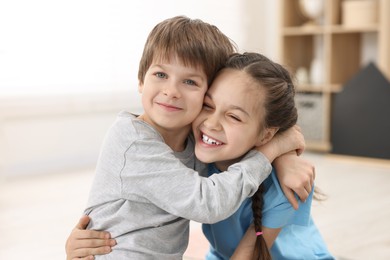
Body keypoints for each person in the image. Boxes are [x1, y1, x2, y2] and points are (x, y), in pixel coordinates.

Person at [65, 16, 314, 260]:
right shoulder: (133, 140)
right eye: (161, 75)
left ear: (208, 91)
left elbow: (260, 118)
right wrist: (272, 150)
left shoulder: (196, 141)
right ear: (141, 80)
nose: (171, 91)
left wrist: (285, 156)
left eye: (190, 82)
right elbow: (207, 203)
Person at [194, 52, 334, 260]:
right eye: (208, 105)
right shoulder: (198, 152)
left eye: (233, 116)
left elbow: (247, 255)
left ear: (266, 134)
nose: (211, 123)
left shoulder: (285, 184)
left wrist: (282, 151)